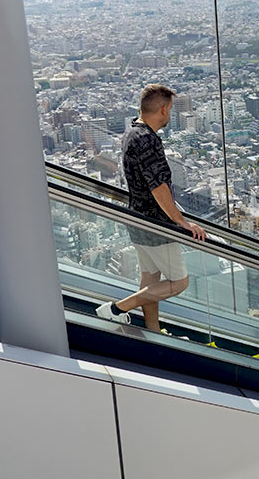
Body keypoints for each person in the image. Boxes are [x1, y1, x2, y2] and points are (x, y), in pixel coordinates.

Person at [96, 84, 206, 334]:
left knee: (150, 278)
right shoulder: (147, 140)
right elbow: (159, 187)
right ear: (165, 110)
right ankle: (116, 310)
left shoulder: (133, 131)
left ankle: (153, 331)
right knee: (179, 282)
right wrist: (182, 223)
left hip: (137, 218)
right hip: (155, 224)